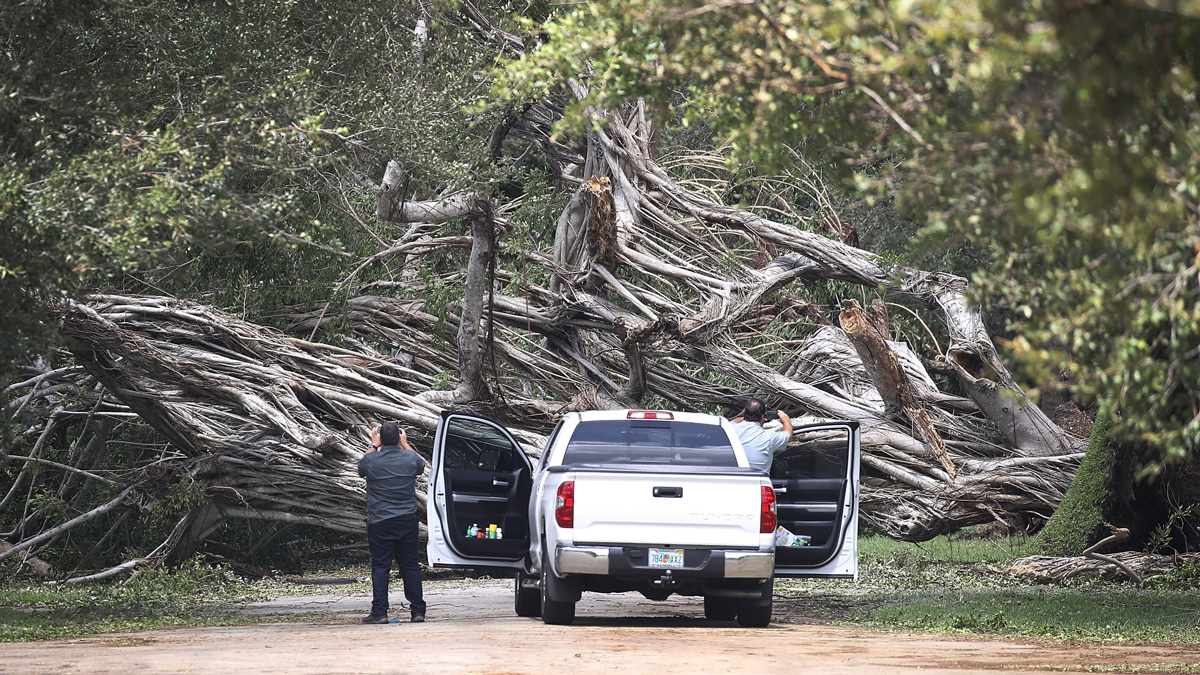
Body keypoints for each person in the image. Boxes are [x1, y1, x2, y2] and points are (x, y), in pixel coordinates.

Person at [358, 421, 427, 624]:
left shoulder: (372, 460)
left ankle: (379, 613)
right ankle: (417, 612)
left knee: (381, 567)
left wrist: (373, 444)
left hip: (381, 521)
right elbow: (421, 464)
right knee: (410, 565)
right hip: (407, 520)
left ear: (380, 439)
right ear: (399, 437)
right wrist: (405, 444)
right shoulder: (409, 458)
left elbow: (361, 467)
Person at [731, 398, 793, 473]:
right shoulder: (769, 437)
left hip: (733, 478)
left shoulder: (731, 429)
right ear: (763, 416)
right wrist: (786, 420)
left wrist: (745, 418)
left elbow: (731, 422)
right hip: (757, 481)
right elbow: (788, 436)